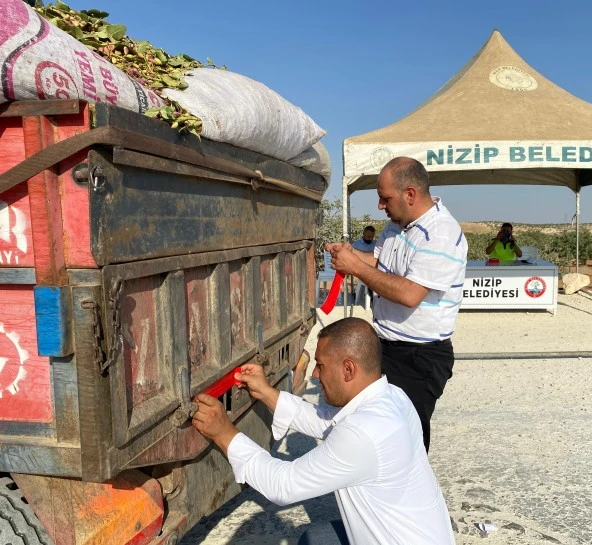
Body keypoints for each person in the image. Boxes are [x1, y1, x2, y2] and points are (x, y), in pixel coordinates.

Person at [191, 317, 455, 545]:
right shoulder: (393, 397)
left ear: (348, 369)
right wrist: (266, 392)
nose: (315, 375)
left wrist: (223, 433)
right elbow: (324, 421)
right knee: (315, 539)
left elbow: (283, 485)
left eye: (321, 365)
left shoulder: (363, 433)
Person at [325, 157, 467, 452]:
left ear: (410, 194)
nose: (381, 206)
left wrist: (358, 267)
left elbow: (410, 293)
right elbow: (380, 263)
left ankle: (410, 495)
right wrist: (351, 257)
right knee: (377, 430)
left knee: (406, 438)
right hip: (385, 345)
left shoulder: (441, 233)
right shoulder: (396, 226)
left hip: (418, 356)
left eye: (384, 198)